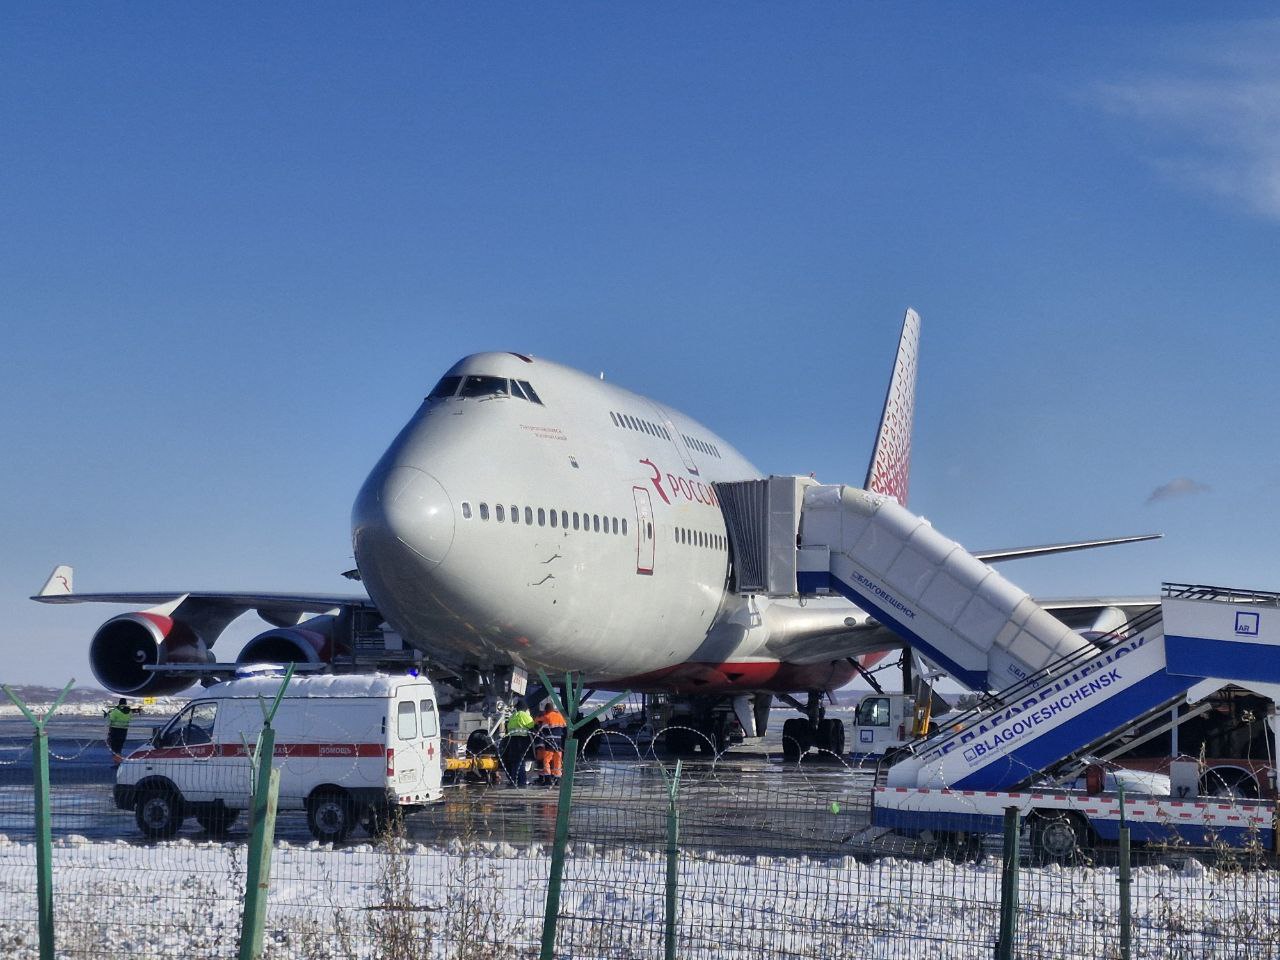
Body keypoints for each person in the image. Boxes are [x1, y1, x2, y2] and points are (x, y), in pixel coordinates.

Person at [502, 698, 536, 787]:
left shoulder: (513, 716)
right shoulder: (524, 715)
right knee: (520, 762)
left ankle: (514, 780)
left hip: (512, 741)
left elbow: (508, 728)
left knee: (514, 762)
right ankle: (522, 781)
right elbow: (532, 726)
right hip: (522, 741)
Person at [535, 700, 567, 786]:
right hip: (559, 741)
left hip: (550, 741)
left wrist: (539, 716)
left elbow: (537, 722)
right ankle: (557, 779)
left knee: (546, 760)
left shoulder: (546, 716)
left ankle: (547, 778)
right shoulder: (560, 716)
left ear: (546, 710)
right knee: (557, 760)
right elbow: (565, 728)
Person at [104, 698, 141, 763]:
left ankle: (117, 762)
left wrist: (108, 714)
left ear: (119, 703)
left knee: (114, 748)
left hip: (115, 731)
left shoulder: (116, 710)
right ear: (125, 703)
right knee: (119, 747)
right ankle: (118, 760)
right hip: (124, 731)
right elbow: (129, 718)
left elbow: (111, 718)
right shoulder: (129, 711)